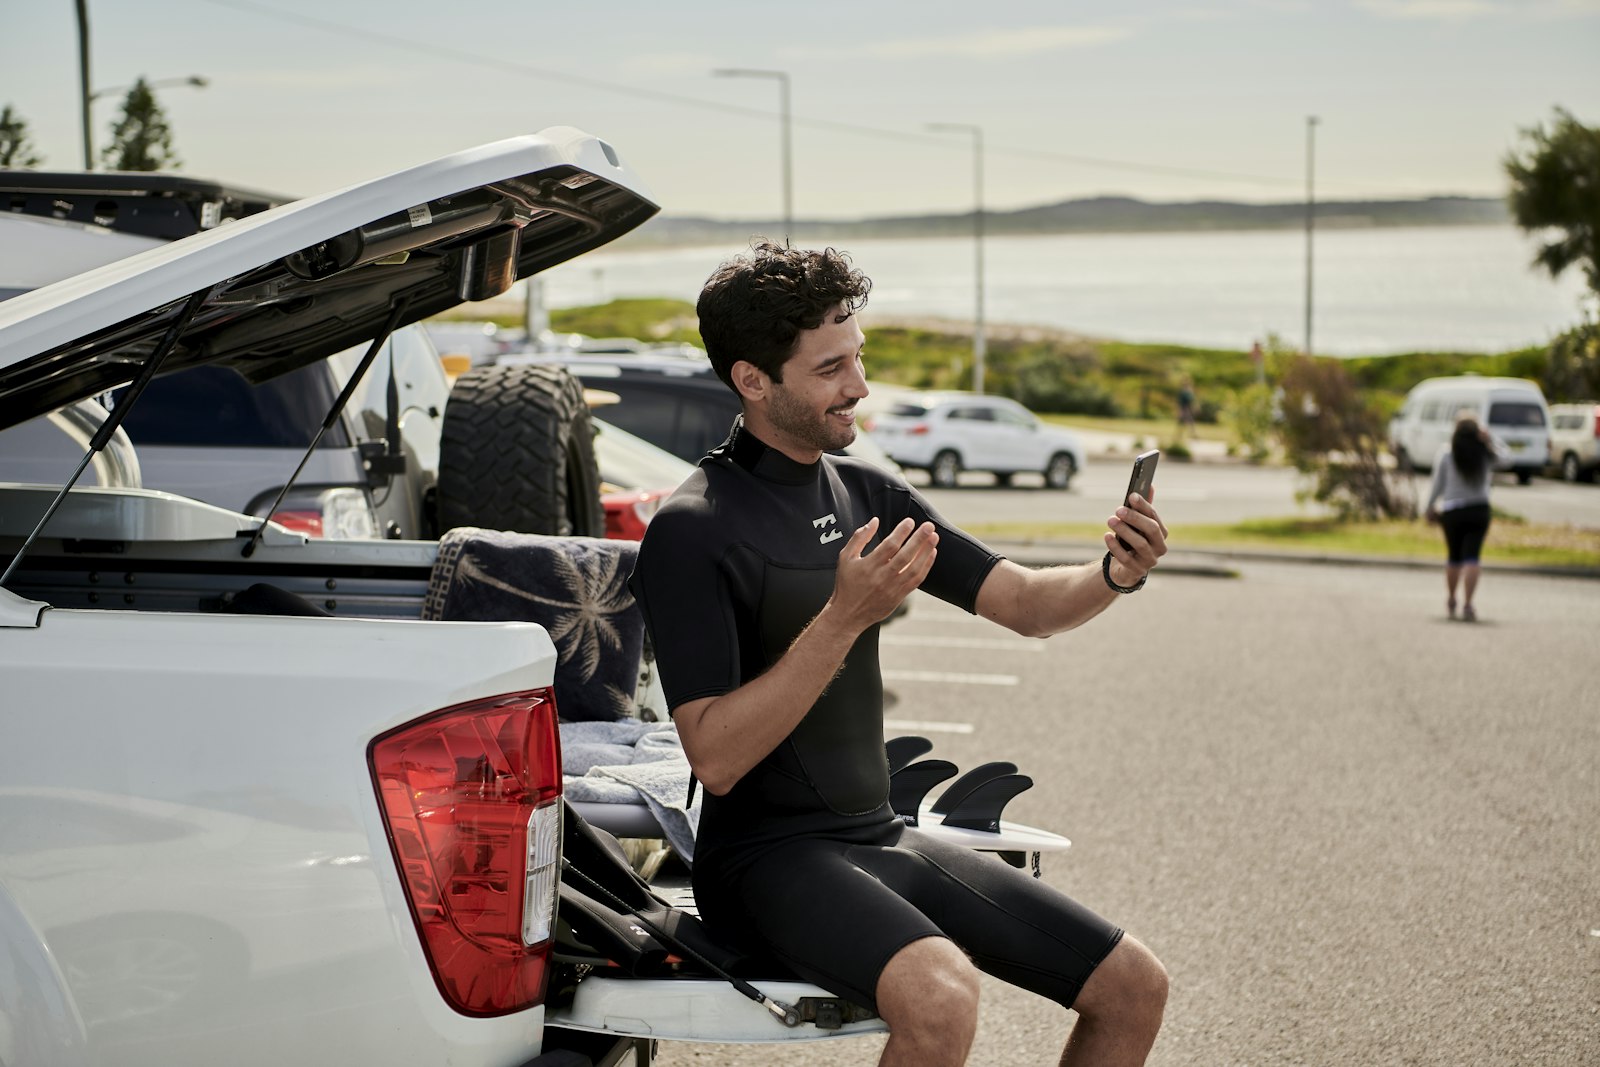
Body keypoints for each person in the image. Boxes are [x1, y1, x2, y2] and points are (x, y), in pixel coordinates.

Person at [629, 241, 1169, 1067]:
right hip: (764, 864)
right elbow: (717, 756)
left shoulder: (867, 494)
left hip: (877, 837)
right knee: (940, 995)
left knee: (1132, 985)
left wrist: (1112, 574)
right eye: (831, 367)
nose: (860, 386)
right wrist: (844, 618)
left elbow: (1022, 602)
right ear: (753, 380)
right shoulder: (693, 528)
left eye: (860, 357)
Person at [1424, 413, 1504, 622]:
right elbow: (1508, 459)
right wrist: (1491, 439)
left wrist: (1428, 507)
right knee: (1472, 557)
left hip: (1452, 511)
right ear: (1478, 432)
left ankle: (1451, 598)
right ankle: (1468, 604)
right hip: (1479, 509)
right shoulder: (1484, 453)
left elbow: (1437, 485)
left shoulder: (1446, 453)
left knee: (1454, 557)